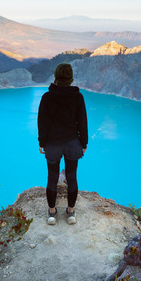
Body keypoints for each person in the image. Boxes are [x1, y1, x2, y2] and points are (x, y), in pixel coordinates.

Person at [38, 63, 88, 225]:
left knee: (52, 178)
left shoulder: (47, 97)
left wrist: (42, 142)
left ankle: (52, 213)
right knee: (72, 177)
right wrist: (84, 143)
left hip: (52, 144)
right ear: (71, 78)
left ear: (56, 77)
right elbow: (83, 122)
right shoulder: (78, 97)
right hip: (72, 143)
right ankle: (71, 213)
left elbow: (42, 123)